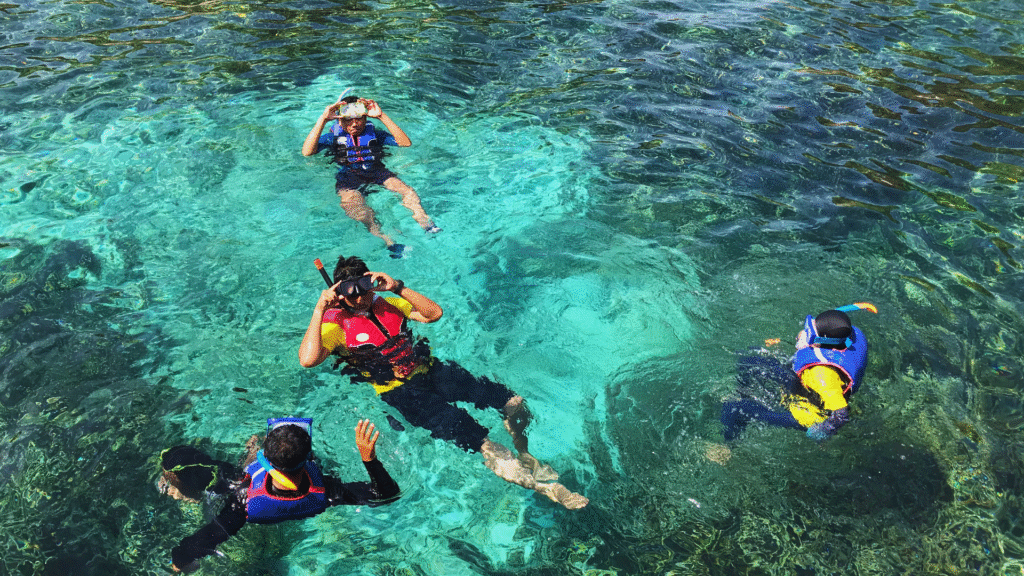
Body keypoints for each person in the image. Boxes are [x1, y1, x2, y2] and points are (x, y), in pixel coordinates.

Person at [298, 255, 589, 510]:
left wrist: (397, 286)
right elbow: (308, 360)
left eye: (363, 288)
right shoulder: (335, 325)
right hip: (401, 394)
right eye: (351, 294)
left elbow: (433, 314)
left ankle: (525, 452)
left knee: (513, 402)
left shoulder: (386, 303)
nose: (360, 298)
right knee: (483, 443)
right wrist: (319, 309)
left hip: (433, 371)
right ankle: (547, 488)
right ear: (339, 294)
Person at [159, 418, 400, 572]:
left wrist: (178, 563)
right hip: (304, 501)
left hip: (254, 504)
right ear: (309, 460)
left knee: (209, 469)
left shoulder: (242, 500)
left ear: (265, 461)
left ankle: (249, 451)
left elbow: (198, 543)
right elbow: (385, 495)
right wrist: (369, 459)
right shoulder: (328, 490)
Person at [301, 95, 440, 259]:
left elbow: (405, 143)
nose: (354, 124)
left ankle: (426, 223)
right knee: (356, 210)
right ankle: (390, 241)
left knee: (407, 191)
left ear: (365, 117)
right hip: (348, 179)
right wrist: (323, 120)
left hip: (377, 172)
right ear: (339, 121)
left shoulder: (376, 134)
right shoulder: (332, 138)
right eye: (348, 120)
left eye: (359, 119)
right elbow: (307, 152)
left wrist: (382, 116)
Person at [718, 305, 874, 447]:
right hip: (804, 383)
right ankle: (742, 391)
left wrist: (823, 431)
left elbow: (841, 413)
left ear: (823, 342)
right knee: (748, 360)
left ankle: (727, 447)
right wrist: (857, 306)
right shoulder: (846, 336)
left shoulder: (822, 376)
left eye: (810, 334)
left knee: (732, 408)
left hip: (806, 414)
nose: (802, 335)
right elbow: (832, 321)